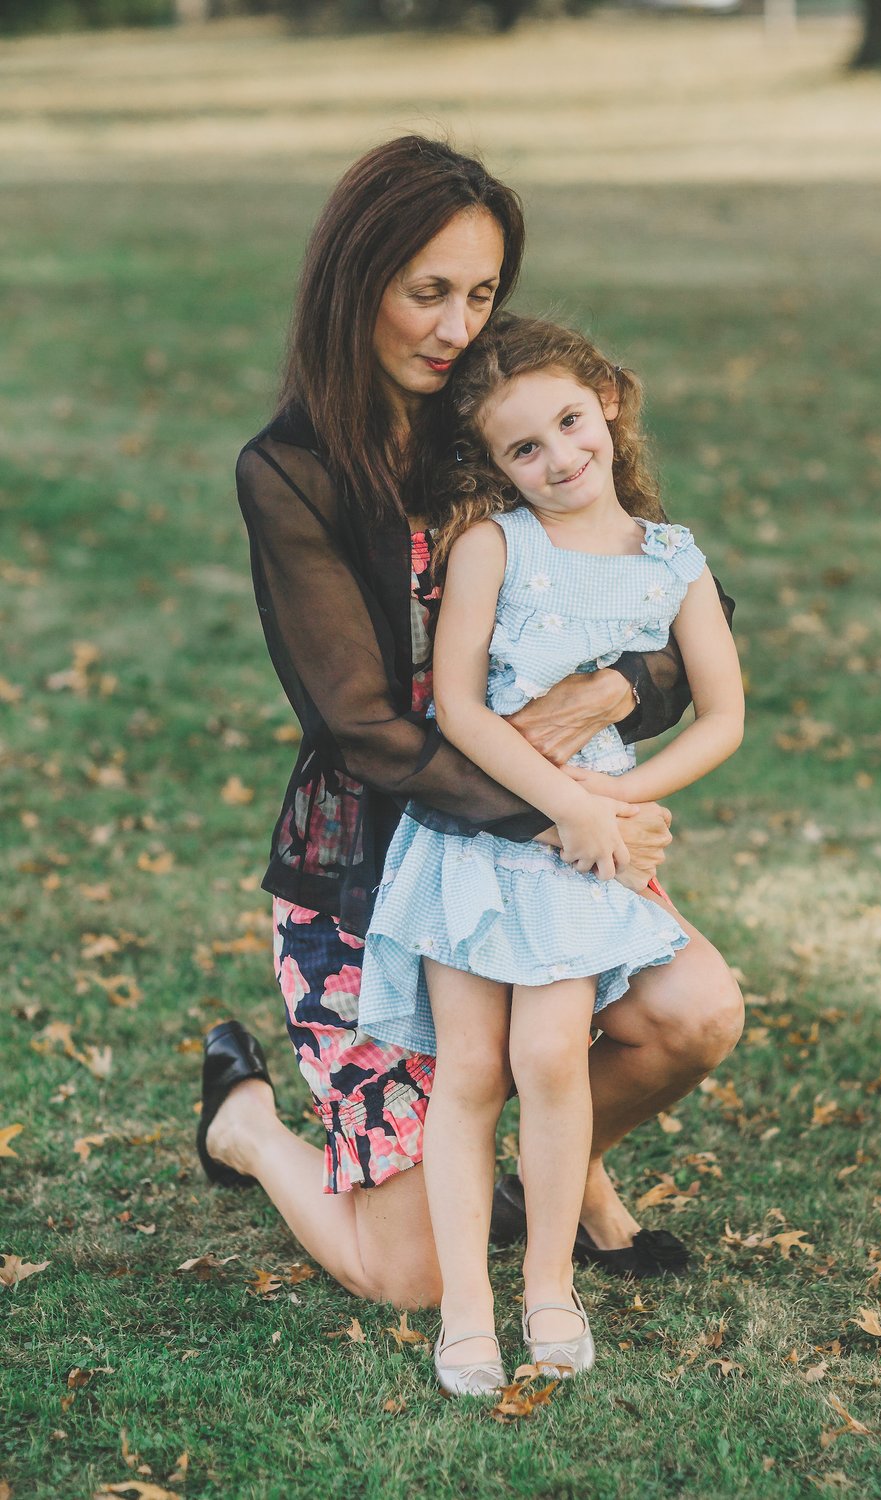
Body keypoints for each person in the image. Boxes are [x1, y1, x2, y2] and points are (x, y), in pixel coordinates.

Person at [197, 135, 744, 1316]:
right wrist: (572, 819)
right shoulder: (291, 473)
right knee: (412, 1280)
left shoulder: (500, 425)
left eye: (481, 293)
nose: (456, 328)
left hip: (542, 831)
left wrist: (620, 692)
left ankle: (561, 1166)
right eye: (427, 293)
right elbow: (361, 727)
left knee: (693, 1015)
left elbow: (672, 586)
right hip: (375, 865)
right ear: (359, 286)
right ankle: (245, 1126)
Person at [355, 314, 745, 1393]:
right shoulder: (494, 544)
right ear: (493, 463)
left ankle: (547, 1288)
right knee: (473, 1070)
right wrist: (560, 806)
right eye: (525, 449)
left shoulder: (671, 561)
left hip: (580, 859)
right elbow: (462, 710)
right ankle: (468, 1315)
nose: (560, 459)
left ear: (608, 403)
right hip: (477, 840)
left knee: (552, 1061)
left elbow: (722, 718)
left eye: (571, 424)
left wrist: (617, 798)